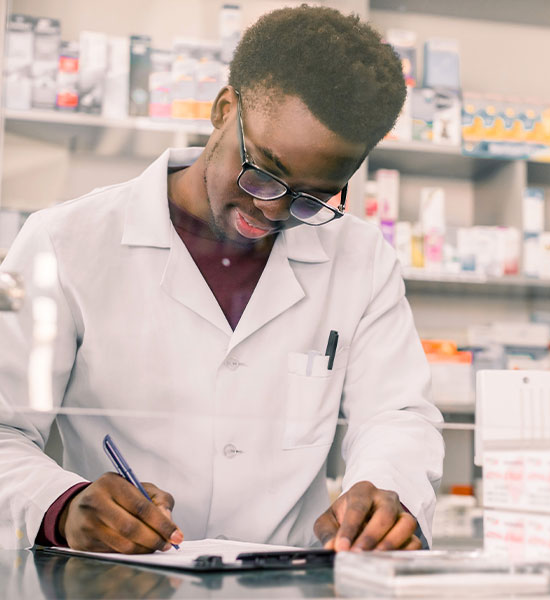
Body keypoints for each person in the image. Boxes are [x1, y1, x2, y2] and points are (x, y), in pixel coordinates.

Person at [0, 5, 444, 554]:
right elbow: (3, 429)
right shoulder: (65, 241)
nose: (275, 211)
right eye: (263, 172)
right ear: (223, 108)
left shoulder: (360, 257)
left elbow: (396, 414)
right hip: (117, 578)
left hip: (283, 580)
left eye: (312, 196)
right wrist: (61, 503)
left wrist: (385, 493)